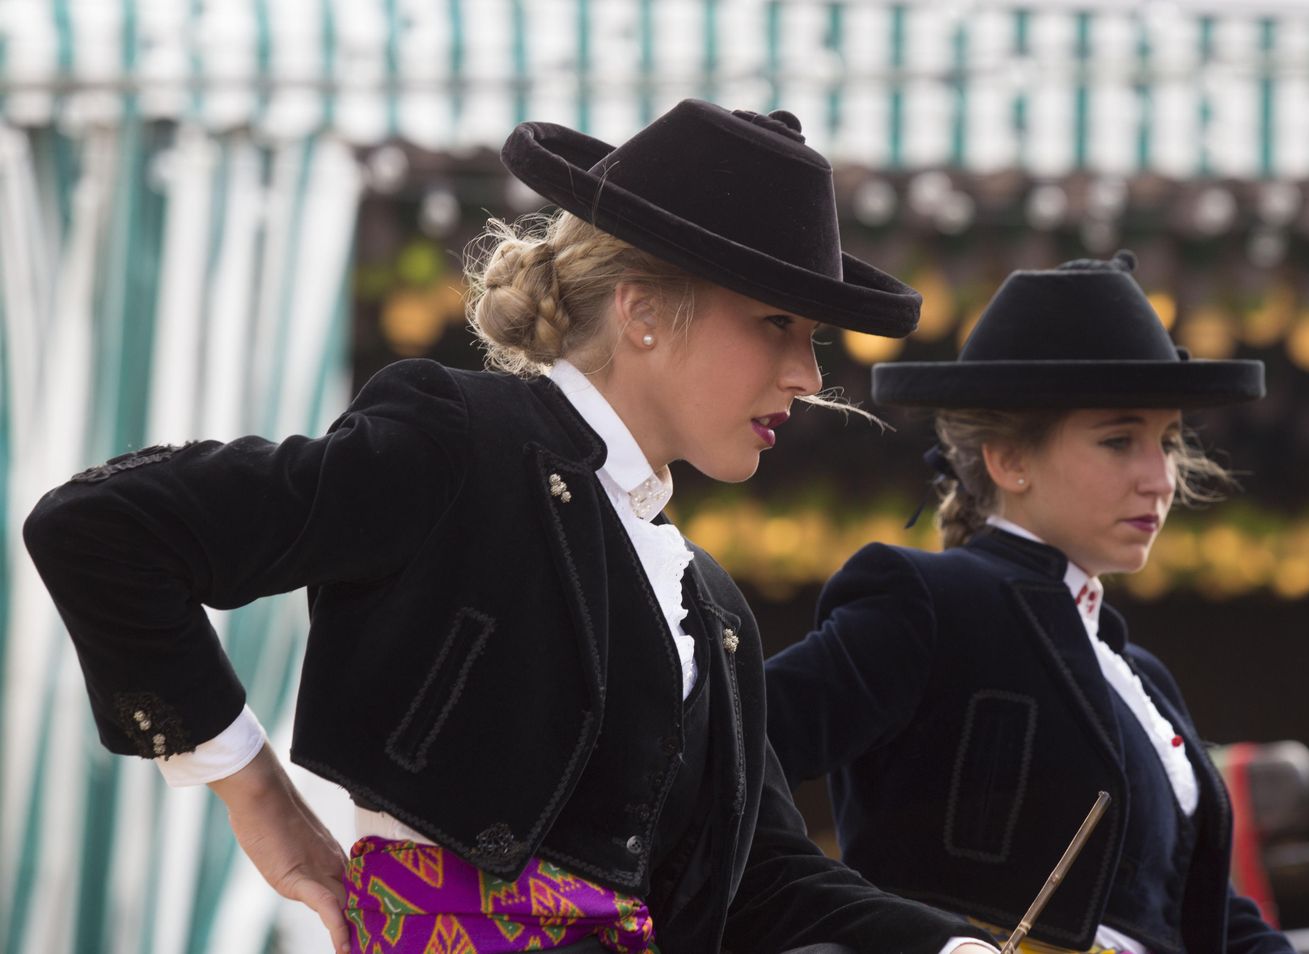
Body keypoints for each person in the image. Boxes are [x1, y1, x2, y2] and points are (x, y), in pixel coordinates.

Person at [25, 100, 998, 954]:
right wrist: (258, 798)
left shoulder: (712, 605)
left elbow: (765, 878)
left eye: (812, 339)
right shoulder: (460, 442)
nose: (807, 377)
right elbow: (104, 527)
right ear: (645, 309)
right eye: (776, 325)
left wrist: (957, 950)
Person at [764, 253, 1296, 954]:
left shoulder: (1142, 677)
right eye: (1119, 441)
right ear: (1009, 459)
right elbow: (734, 753)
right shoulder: (926, 601)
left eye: (1167, 443)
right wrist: (909, 938)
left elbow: (1208, 913)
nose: (1159, 478)